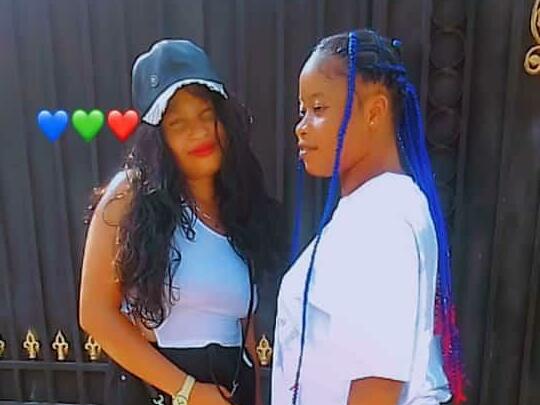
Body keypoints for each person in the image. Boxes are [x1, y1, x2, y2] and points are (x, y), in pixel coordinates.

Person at [79, 39, 284, 405]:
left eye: (206, 115)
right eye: (178, 123)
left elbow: (245, 332)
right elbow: (95, 314)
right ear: (157, 138)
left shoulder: (239, 208)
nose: (199, 132)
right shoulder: (130, 195)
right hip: (159, 393)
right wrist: (187, 391)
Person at [271, 29, 466, 405]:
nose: (301, 126)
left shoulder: (383, 218)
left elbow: (378, 386)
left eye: (318, 109)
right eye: (302, 110)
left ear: (375, 111)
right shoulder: (372, 207)